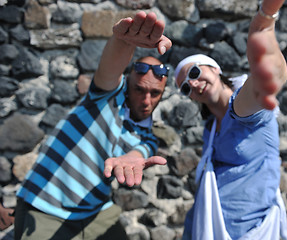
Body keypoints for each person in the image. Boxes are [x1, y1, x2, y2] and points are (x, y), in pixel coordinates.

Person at [14, 11, 171, 240]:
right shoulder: (106, 98)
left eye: (154, 93)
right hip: (45, 205)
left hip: (95, 212)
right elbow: (109, 70)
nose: (146, 100)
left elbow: (140, 152)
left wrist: (131, 158)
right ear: (128, 85)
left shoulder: (148, 137)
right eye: (139, 89)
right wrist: (123, 42)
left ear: (162, 94)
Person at [174, 0, 287, 239]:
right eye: (185, 88)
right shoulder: (209, 129)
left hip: (249, 231)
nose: (193, 84)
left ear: (215, 69)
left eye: (195, 72)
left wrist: (264, 22)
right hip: (206, 228)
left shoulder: (243, 108)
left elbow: (259, 88)